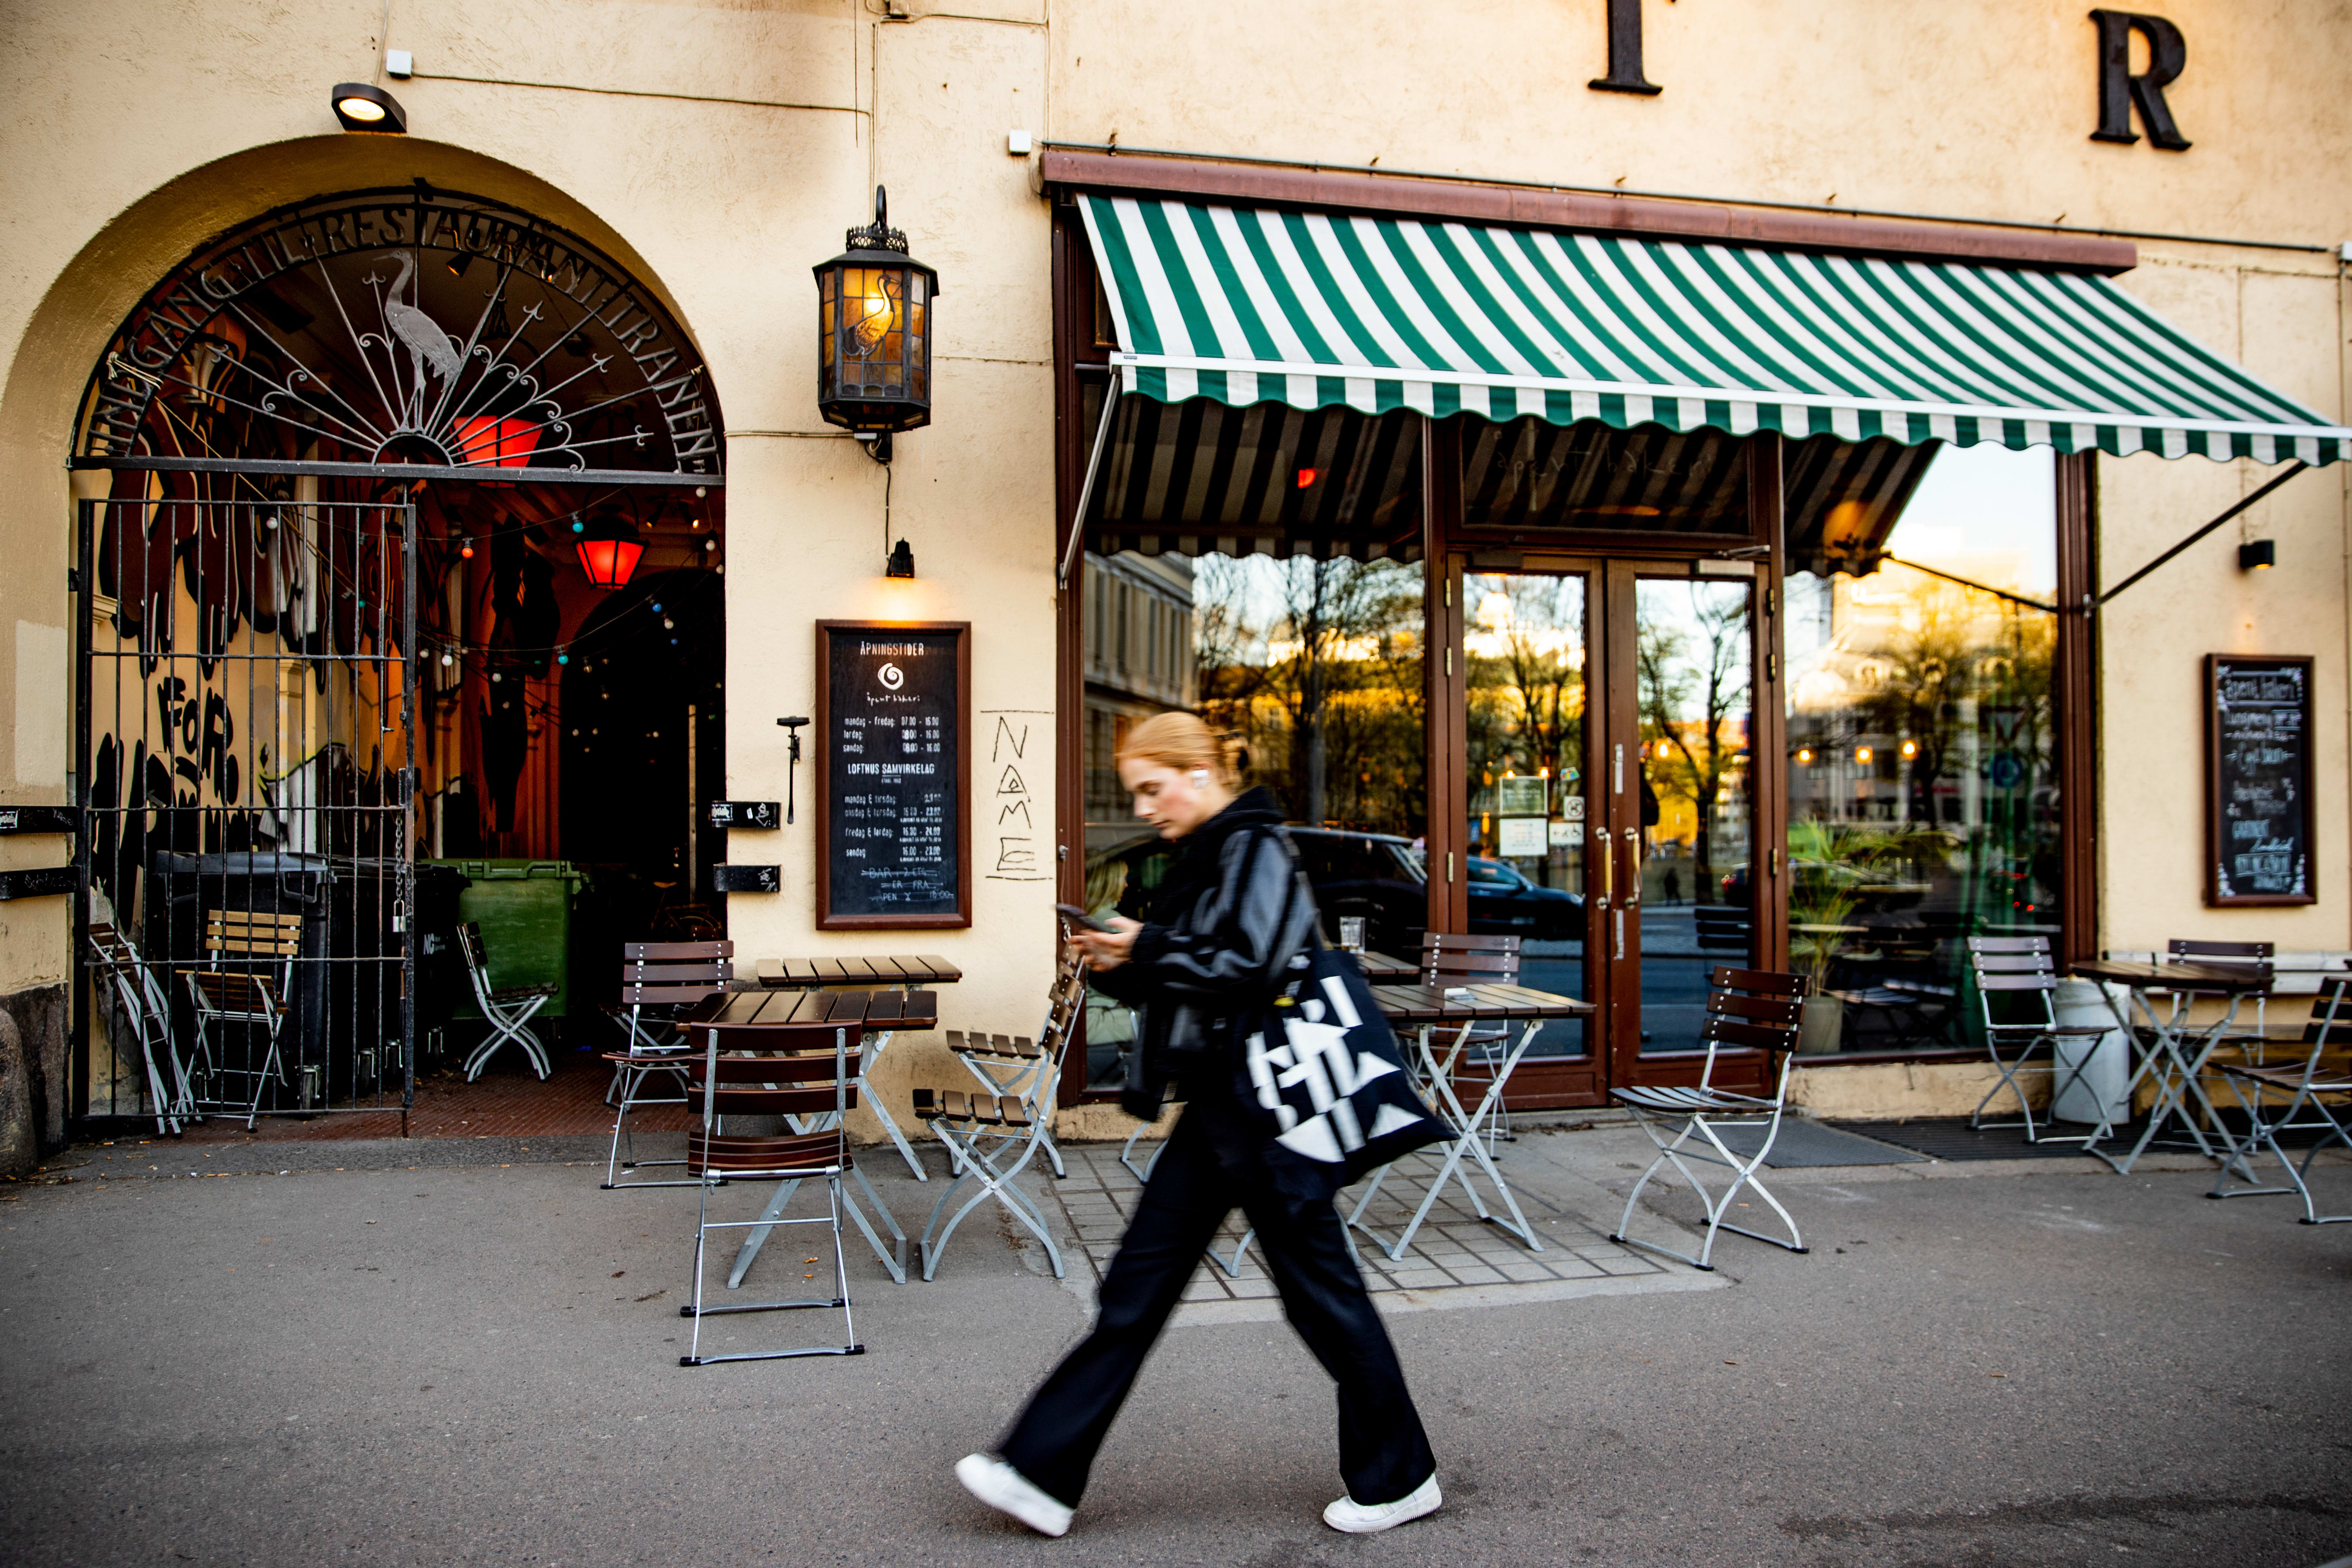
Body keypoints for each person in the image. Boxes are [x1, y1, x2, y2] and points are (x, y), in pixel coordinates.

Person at [955, 712, 1440, 1539]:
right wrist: (1124, 959)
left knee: (1322, 1301)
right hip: (1224, 1110)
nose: (1145, 806)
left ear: (1197, 771)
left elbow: (1249, 968)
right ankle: (1039, 1473)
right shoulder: (1209, 856)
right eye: (1136, 790)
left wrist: (1146, 948)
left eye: (1152, 787)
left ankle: (1401, 1475)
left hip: (1267, 1115)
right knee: (1137, 1296)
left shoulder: (1254, 846)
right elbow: (1196, 979)